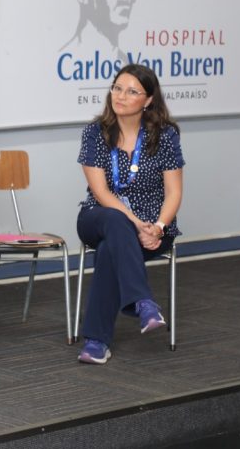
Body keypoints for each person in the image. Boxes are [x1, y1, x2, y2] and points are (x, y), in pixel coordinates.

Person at [75, 63, 183, 364]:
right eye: (117, 88)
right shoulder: (95, 132)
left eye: (132, 91)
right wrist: (136, 224)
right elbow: (101, 192)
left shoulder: (165, 135)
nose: (121, 96)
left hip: (153, 229)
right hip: (99, 217)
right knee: (115, 221)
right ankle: (143, 301)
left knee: (110, 250)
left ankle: (96, 342)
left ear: (148, 100)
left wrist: (158, 227)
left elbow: (174, 192)